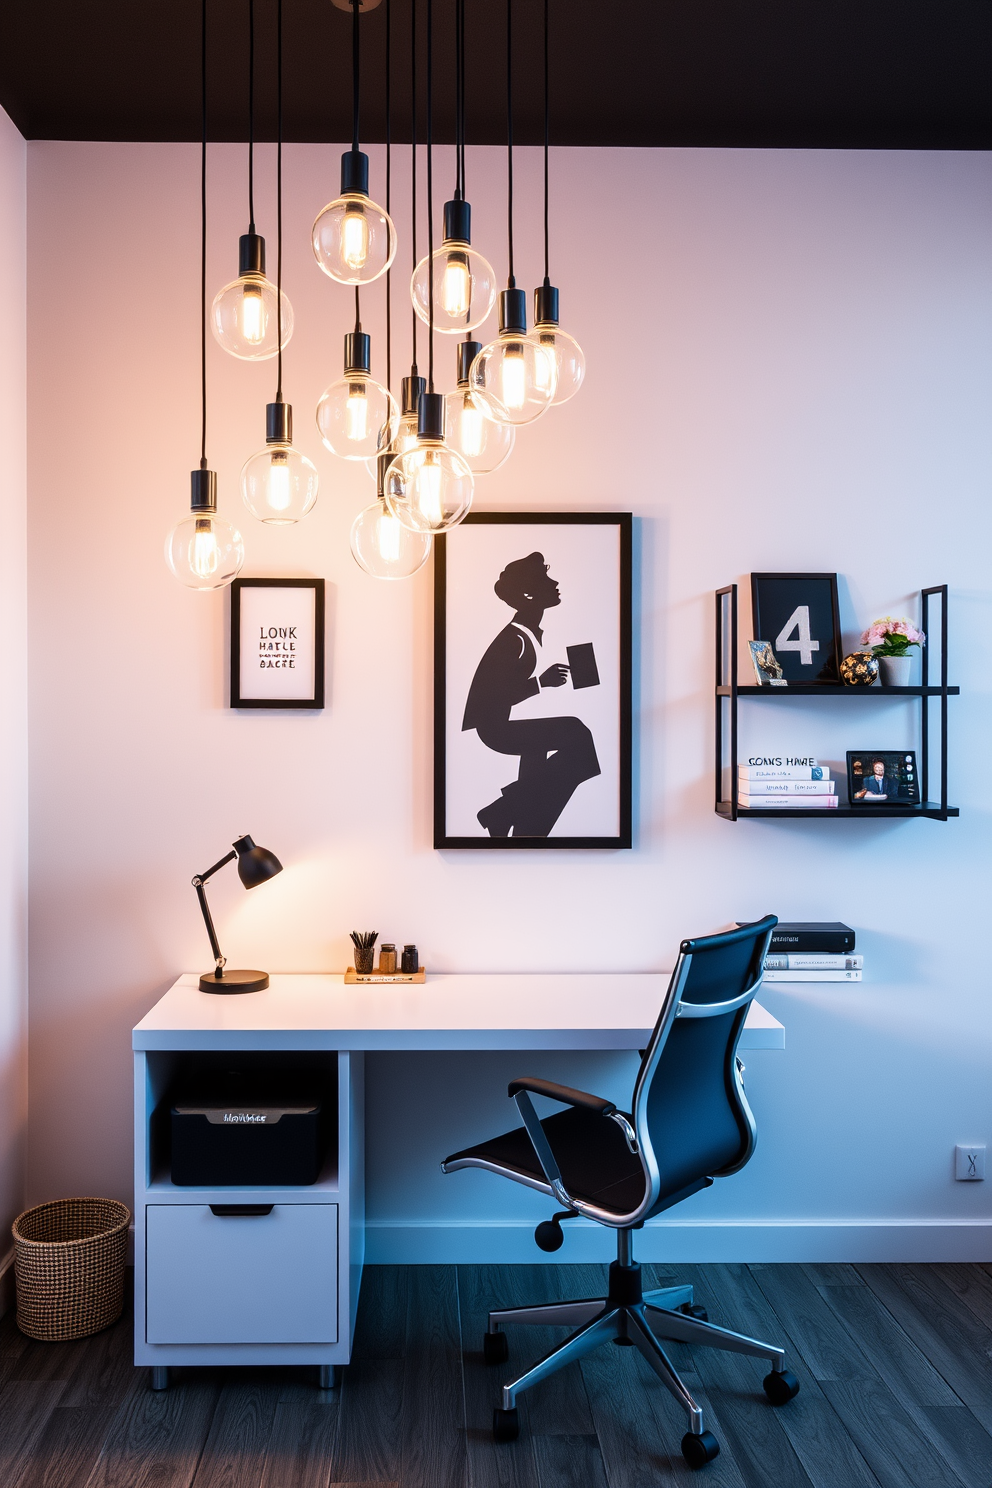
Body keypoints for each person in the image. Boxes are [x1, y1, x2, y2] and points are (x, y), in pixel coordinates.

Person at [462, 552, 601, 837]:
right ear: (528, 594)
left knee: (544, 761)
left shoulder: (528, 632)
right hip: (494, 728)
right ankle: (502, 811)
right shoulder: (514, 639)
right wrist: (541, 682)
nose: (555, 582)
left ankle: (525, 832)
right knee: (577, 734)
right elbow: (493, 696)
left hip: (501, 724)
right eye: (545, 579)